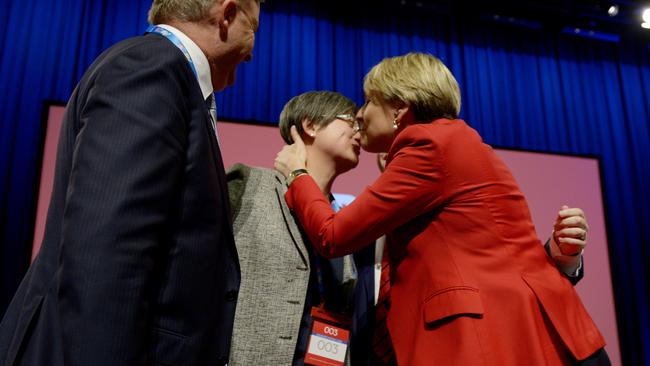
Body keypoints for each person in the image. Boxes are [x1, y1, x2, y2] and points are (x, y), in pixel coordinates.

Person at [275, 53, 607, 365]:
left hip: (503, 341)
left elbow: (333, 235)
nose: (361, 114)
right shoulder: (456, 142)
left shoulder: (428, 145)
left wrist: (297, 173)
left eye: (369, 101)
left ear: (398, 110)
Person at [0, 1, 260, 365]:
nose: (252, 49)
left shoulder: (168, 75)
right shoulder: (153, 67)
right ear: (227, 13)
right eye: (254, 27)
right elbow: (106, 256)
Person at [225, 91, 360, 365]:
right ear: (310, 126)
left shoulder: (342, 223)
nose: (359, 131)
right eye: (350, 121)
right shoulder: (247, 184)